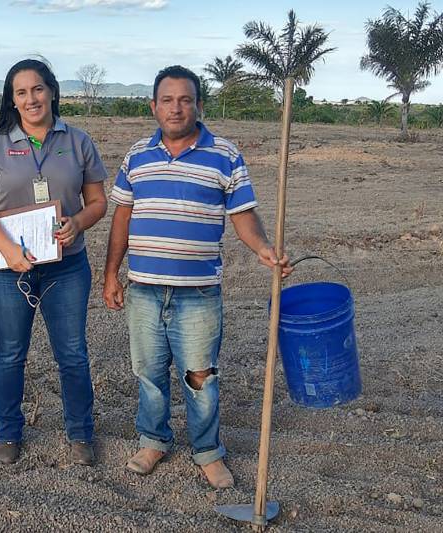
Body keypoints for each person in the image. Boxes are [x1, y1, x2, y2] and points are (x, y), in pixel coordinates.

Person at [103, 65, 292, 488]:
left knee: (200, 377)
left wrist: (264, 249)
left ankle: (207, 452)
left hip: (198, 293)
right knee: (149, 373)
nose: (176, 108)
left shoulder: (224, 155)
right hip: (145, 291)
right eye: (167, 100)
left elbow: (243, 216)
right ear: (153, 106)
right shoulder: (136, 156)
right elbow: (122, 219)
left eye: (185, 99)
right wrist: (111, 274)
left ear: (198, 105)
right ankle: (153, 441)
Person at [0, 59, 108, 466]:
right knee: (10, 352)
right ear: (12, 99)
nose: (31, 99)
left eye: (38, 89)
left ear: (52, 91)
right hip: (9, 269)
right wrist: (8, 251)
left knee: (73, 354)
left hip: (67, 267)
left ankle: (80, 432)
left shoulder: (78, 141)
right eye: (22, 92)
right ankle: (8, 432)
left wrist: (78, 222)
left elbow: (98, 202)